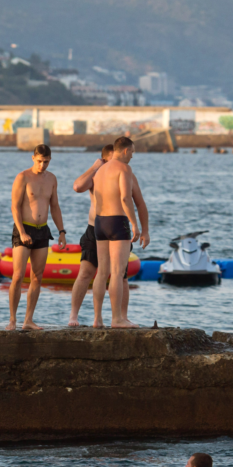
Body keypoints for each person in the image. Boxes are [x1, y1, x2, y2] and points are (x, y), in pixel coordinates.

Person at [8, 144, 67, 330]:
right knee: (17, 276)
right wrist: (22, 232)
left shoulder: (52, 179)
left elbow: (55, 206)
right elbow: (15, 206)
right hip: (23, 228)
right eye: (40, 161)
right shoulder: (23, 177)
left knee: (37, 277)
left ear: (50, 160)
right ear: (33, 158)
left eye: (46, 162)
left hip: (43, 230)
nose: (42, 165)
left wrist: (62, 231)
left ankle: (28, 320)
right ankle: (12, 320)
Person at [90, 136, 141, 328]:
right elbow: (126, 199)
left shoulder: (101, 170)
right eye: (132, 152)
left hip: (100, 222)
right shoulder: (124, 168)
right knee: (118, 273)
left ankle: (97, 318)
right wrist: (135, 225)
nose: (132, 157)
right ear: (126, 151)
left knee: (101, 272)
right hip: (117, 221)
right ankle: (117, 319)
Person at [67, 144, 112, 327]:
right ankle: (73, 316)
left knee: (118, 275)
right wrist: (95, 167)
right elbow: (77, 186)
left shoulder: (122, 174)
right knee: (85, 273)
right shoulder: (96, 175)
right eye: (110, 161)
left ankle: (100, 317)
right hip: (94, 229)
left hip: (115, 231)